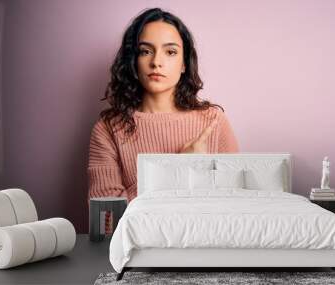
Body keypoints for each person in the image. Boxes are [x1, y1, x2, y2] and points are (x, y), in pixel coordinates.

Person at [87, 8, 239, 232]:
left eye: (170, 52)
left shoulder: (213, 122)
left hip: (206, 250)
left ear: (184, 63)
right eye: (145, 51)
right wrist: (179, 169)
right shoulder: (108, 129)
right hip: (137, 258)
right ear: (133, 60)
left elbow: (235, 209)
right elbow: (106, 224)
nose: (157, 62)